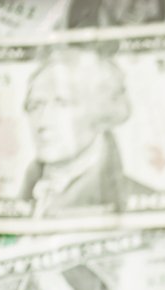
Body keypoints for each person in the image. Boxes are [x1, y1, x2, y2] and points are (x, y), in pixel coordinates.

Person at [19, 50, 151, 218]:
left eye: (62, 104)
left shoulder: (139, 198)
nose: (42, 121)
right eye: (35, 105)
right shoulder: (27, 193)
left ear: (101, 112)